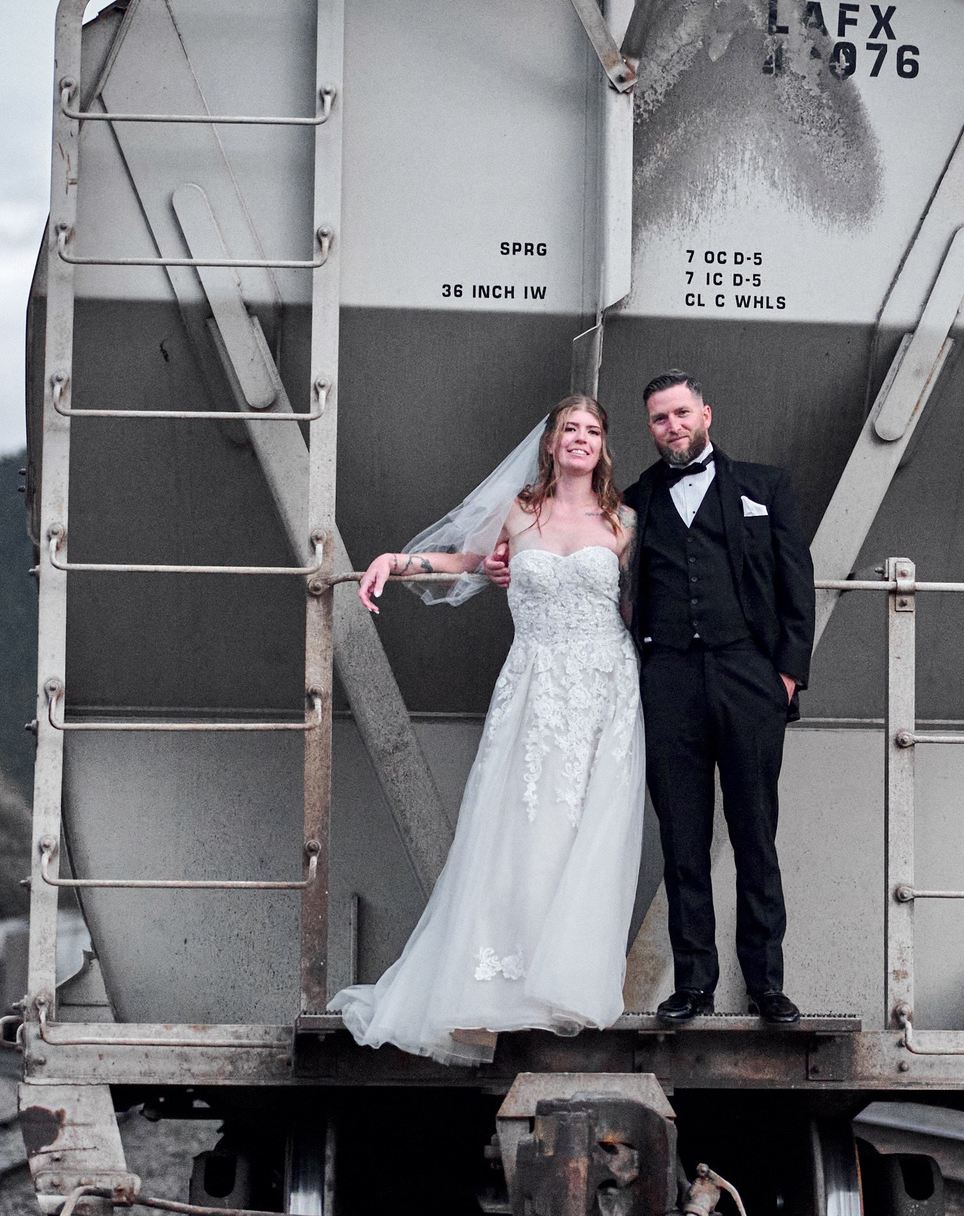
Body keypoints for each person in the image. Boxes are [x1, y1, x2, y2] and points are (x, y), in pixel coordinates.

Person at [327, 395, 643, 1066]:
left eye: (592, 430)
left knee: (588, 828)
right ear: (552, 442)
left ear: (603, 446)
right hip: (532, 684)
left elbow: (637, 606)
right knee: (522, 830)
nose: (580, 439)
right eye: (569, 429)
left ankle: (570, 983)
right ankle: (504, 984)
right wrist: (393, 560)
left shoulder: (625, 521)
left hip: (604, 690)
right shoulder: (519, 512)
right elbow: (465, 563)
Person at [614, 372, 814, 1026]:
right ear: (650, 428)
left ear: (706, 412)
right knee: (682, 837)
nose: (672, 426)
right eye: (659, 419)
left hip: (748, 675)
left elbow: (795, 582)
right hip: (669, 680)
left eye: (680, 413)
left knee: (756, 835)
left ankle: (766, 985)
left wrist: (786, 674)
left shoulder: (766, 485)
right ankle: (694, 981)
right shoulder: (638, 497)